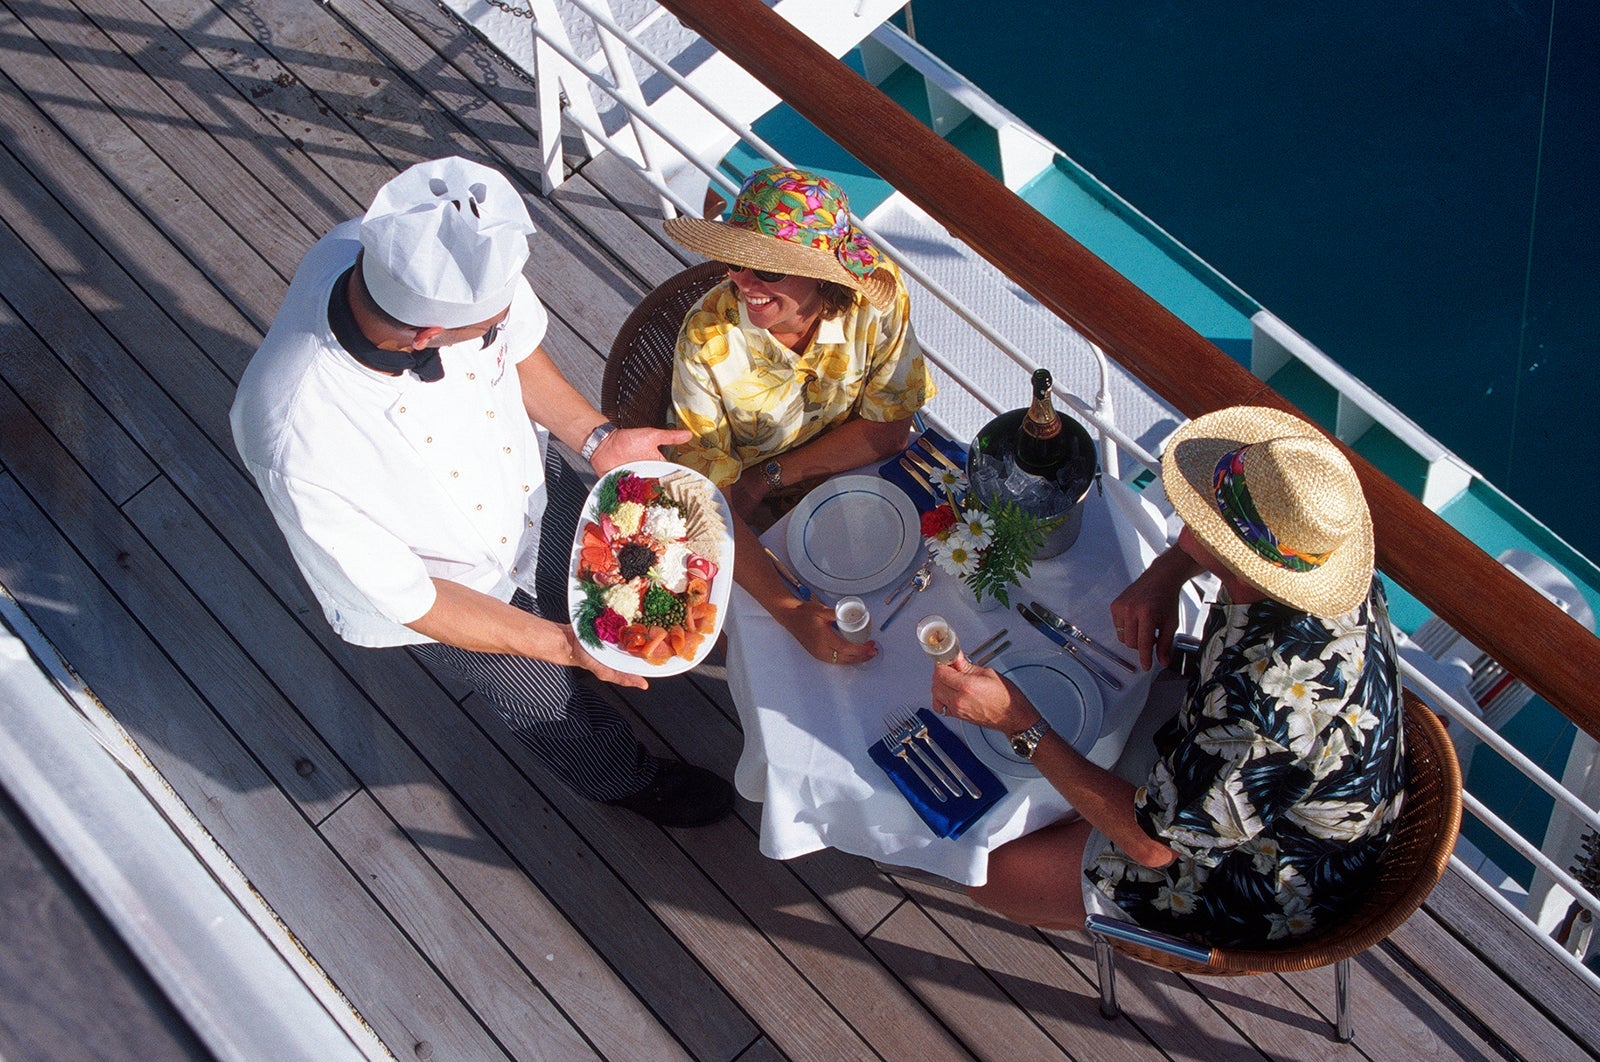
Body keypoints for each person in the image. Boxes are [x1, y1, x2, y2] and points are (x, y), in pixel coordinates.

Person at [230, 156, 732, 828]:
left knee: (615, 589)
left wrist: (596, 439)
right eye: (485, 326)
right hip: (456, 590)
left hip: (535, 495)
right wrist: (560, 646)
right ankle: (628, 783)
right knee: (551, 707)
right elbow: (414, 597)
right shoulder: (293, 439)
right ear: (427, 334)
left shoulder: (391, 251)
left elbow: (515, 346)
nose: (501, 326)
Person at [931, 406, 1407, 947]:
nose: (1188, 513)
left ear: (1239, 557)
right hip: (1289, 787)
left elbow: (1153, 845)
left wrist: (1018, 722)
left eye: (1201, 512)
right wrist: (1167, 571)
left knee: (986, 871)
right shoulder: (1324, 568)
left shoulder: (1258, 708)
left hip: (1265, 877)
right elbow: (1233, 552)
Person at [662, 167, 936, 666]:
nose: (742, 282)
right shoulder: (706, 338)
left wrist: (768, 476)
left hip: (856, 475)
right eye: (733, 260)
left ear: (821, 274)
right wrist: (790, 612)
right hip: (750, 513)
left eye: (766, 270)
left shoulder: (879, 301)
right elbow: (708, 497)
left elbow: (892, 431)